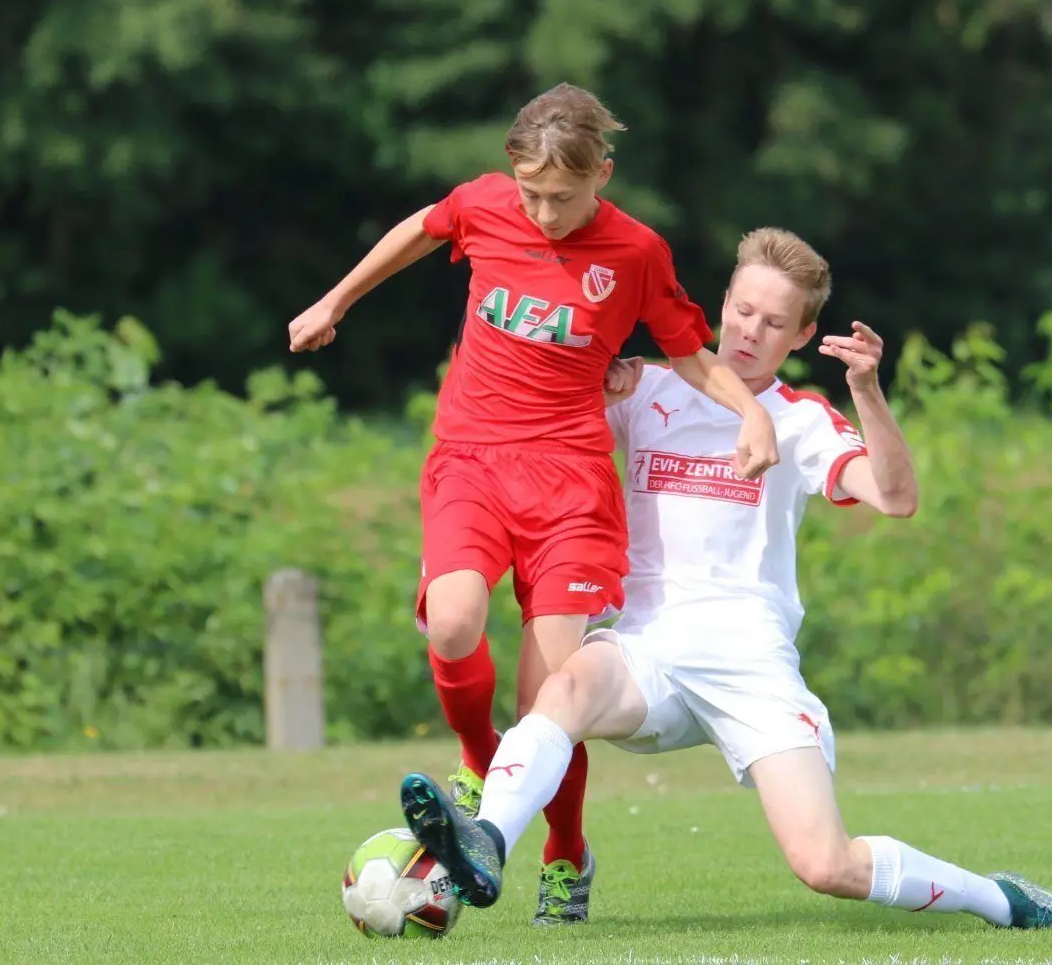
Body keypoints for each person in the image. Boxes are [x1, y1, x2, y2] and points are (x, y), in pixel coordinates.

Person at [396, 227, 1052, 932]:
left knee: (825, 863)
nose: (750, 331)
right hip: (648, 650)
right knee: (562, 689)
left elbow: (897, 497)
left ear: (802, 337)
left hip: (749, 662)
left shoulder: (801, 419)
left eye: (774, 323)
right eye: (742, 310)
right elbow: (534, 429)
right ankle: (489, 840)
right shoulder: (647, 390)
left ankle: (1007, 902)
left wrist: (868, 389)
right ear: (721, 304)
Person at [288, 84, 781, 924]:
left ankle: (565, 855)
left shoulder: (635, 251)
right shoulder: (485, 204)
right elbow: (422, 226)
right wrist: (337, 300)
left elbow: (689, 352)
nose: (544, 212)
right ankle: (478, 765)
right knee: (451, 624)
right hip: (472, 462)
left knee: (551, 697)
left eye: (563, 196)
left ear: (603, 176)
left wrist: (754, 410)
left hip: (572, 487)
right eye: (531, 194)